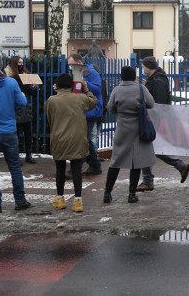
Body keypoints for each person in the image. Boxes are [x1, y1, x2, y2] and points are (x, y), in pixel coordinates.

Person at [0, 54, 32, 213]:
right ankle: (20, 200)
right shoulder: (11, 83)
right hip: (9, 131)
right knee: (15, 167)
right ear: (1, 65)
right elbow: (22, 103)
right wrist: (21, 95)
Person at [135, 56, 189, 192]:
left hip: (154, 120)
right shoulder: (156, 79)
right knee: (152, 148)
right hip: (153, 120)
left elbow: (158, 104)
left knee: (148, 148)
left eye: (144, 66)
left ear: (149, 67)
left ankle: (149, 180)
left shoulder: (158, 80)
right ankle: (179, 166)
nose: (143, 69)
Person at [45, 74, 97, 213]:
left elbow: (50, 118)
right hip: (77, 138)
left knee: (60, 169)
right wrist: (86, 89)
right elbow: (93, 101)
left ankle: (60, 199)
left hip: (59, 138)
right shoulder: (80, 98)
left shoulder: (51, 100)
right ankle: (78, 201)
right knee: (76, 170)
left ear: (58, 86)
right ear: (71, 85)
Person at [104, 66, 155, 204]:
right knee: (136, 162)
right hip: (138, 128)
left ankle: (107, 193)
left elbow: (110, 108)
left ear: (121, 76)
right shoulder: (141, 89)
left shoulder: (116, 90)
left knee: (115, 161)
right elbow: (151, 104)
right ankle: (132, 194)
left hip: (122, 129)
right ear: (134, 77)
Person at [67, 53, 104, 176]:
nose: (70, 68)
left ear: (79, 62)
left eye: (71, 65)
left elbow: (98, 90)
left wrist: (85, 84)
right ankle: (94, 165)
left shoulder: (91, 73)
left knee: (82, 140)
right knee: (85, 140)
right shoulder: (76, 73)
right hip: (82, 109)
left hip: (91, 110)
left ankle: (76, 169)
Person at [4, 56, 36, 164]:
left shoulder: (26, 74)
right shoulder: (9, 76)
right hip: (15, 106)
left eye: (22, 62)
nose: (21, 65)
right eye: (19, 63)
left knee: (28, 132)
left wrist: (32, 87)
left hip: (26, 106)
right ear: (14, 63)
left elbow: (31, 93)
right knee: (16, 133)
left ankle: (29, 155)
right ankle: (15, 157)